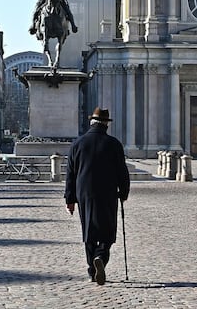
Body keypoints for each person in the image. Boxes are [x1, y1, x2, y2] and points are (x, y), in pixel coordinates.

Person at [65, 107, 130, 286]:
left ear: (90, 123)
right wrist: (124, 192)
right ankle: (100, 255)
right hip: (108, 192)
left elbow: (70, 173)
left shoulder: (77, 143)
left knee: (89, 231)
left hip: (84, 193)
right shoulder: (114, 144)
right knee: (108, 230)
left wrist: (70, 199)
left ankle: (92, 270)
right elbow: (122, 172)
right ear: (106, 125)